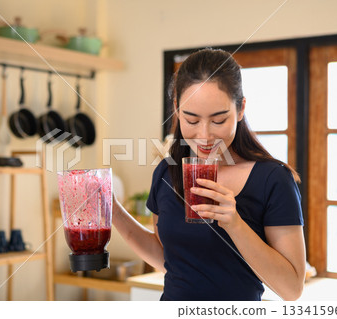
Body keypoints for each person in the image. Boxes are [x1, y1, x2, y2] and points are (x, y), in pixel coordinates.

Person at [112, 48, 306, 301]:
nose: (204, 136)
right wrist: (112, 210)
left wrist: (235, 224)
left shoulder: (273, 179)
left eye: (218, 120)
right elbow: (167, 259)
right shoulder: (167, 171)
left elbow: (292, 289)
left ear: (240, 109)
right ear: (177, 110)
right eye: (192, 120)